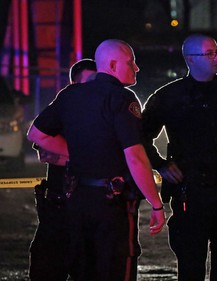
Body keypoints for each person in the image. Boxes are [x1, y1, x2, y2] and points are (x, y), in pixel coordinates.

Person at [27, 39, 166, 281]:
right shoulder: (122, 98)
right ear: (113, 65)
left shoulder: (70, 95)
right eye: (130, 62)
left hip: (76, 201)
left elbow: (36, 134)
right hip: (112, 205)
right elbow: (135, 157)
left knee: (85, 270)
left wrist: (77, 152)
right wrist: (156, 204)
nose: (136, 68)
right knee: (115, 269)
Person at [142, 34, 217, 281]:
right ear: (190, 59)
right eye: (209, 53)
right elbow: (139, 138)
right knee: (190, 264)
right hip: (189, 192)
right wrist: (161, 165)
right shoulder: (170, 96)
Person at [28, 58, 96, 281]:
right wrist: (78, 156)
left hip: (92, 211)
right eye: (89, 81)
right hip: (58, 209)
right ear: (73, 85)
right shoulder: (65, 106)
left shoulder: (106, 110)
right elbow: (41, 144)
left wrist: (63, 156)